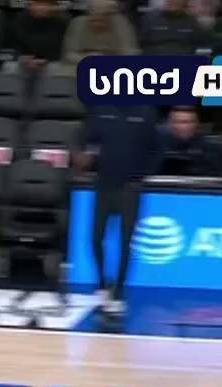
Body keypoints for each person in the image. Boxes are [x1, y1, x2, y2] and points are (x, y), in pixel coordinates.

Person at [79, 103, 159, 316]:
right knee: (96, 238)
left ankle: (119, 291)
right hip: (104, 186)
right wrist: (85, 155)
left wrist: (141, 176)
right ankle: (102, 284)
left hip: (129, 189)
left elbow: (156, 148)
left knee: (126, 242)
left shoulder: (145, 112)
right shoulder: (102, 110)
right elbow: (85, 138)